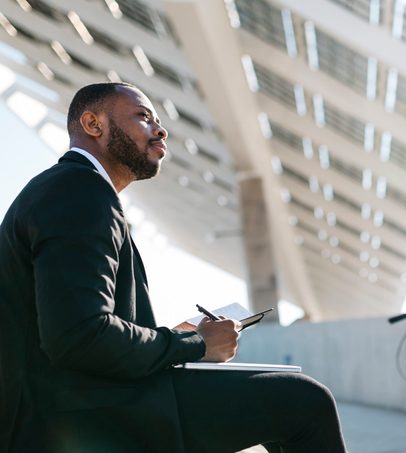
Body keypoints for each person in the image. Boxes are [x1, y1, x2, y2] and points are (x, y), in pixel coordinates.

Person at [0, 82, 347, 452]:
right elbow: (78, 337)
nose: (160, 129)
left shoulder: (73, 190)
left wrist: (176, 335)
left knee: (286, 396)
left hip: (71, 398)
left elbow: (75, 325)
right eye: (143, 117)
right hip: (75, 412)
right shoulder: (78, 193)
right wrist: (194, 344)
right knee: (303, 401)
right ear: (92, 123)